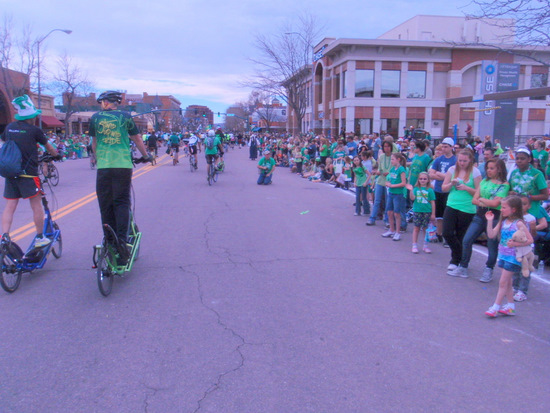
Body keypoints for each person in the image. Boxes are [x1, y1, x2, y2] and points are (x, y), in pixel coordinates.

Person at [89, 91, 151, 262]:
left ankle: (109, 241)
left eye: (102, 101)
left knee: (105, 204)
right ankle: (122, 242)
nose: (101, 104)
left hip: (104, 166)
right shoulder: (125, 116)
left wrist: (98, 158)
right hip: (122, 165)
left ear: (107, 103)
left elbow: (94, 143)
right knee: (122, 202)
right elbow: (137, 139)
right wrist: (146, 156)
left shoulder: (95, 118)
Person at [1, 95, 61, 247]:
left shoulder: (9, 127)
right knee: (36, 205)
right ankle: (40, 237)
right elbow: (49, 147)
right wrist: (57, 155)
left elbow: (4, 141)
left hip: (12, 172)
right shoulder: (34, 130)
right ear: (31, 116)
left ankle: (5, 236)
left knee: (10, 206)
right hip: (28, 174)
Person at [450, 159, 509, 280]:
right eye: (488, 168)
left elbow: (495, 203)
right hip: (480, 216)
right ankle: (463, 267)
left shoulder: (504, 185)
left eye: (492, 168)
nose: (488, 170)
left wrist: (482, 200)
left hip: (494, 218)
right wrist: (485, 201)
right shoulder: (484, 181)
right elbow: (474, 200)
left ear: (499, 169)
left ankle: (489, 269)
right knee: (467, 240)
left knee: (492, 245)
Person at [485, 196, 533, 317]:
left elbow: (529, 239)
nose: (501, 209)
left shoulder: (519, 223)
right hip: (503, 255)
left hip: (513, 257)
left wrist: (515, 244)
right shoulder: (503, 222)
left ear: (514, 209)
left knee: (502, 282)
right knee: (507, 283)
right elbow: (491, 235)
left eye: (504, 207)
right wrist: (490, 220)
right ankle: (511, 306)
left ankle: (495, 307)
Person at [442, 149, 481, 274]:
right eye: (460, 160)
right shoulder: (452, 170)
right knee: (447, 232)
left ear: (470, 160)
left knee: (461, 235)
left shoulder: (475, 172)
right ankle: (460, 256)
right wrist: (451, 185)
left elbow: (479, 193)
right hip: (452, 204)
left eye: (464, 161)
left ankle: (456, 261)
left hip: (467, 208)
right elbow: (443, 188)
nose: (462, 163)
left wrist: (466, 188)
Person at [429, 137, 456, 243]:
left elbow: (455, 177)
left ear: (451, 147)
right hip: (438, 189)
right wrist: (445, 176)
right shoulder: (438, 159)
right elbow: (431, 173)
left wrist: (440, 174)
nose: (444, 149)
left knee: (447, 215)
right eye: (443, 147)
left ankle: (446, 235)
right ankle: (439, 233)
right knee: (438, 214)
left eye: (446, 147)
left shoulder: (455, 160)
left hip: (449, 190)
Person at [406, 172, 435, 254]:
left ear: (428, 180)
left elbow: (433, 202)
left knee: (426, 228)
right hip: (417, 211)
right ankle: (414, 245)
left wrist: (433, 214)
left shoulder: (430, 190)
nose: (423, 180)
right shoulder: (416, 189)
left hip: (427, 211)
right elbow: (412, 198)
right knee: (416, 228)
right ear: (418, 180)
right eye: (421, 179)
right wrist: (411, 191)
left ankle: (425, 245)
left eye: (425, 179)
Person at [366, 141, 393, 226]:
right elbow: (380, 168)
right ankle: (372, 218)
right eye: (385, 146)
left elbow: (394, 168)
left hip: (389, 181)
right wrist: (378, 171)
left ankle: (387, 220)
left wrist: (388, 173)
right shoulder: (381, 156)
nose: (387, 148)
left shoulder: (393, 156)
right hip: (380, 180)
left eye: (388, 146)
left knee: (388, 201)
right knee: (377, 200)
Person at [382, 153, 407, 241]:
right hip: (391, 193)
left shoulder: (401, 169)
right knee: (389, 212)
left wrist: (393, 185)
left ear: (398, 160)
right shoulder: (392, 169)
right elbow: (389, 179)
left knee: (397, 213)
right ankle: (391, 230)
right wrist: (387, 183)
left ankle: (398, 232)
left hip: (398, 194)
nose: (391, 161)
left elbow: (404, 183)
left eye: (393, 159)